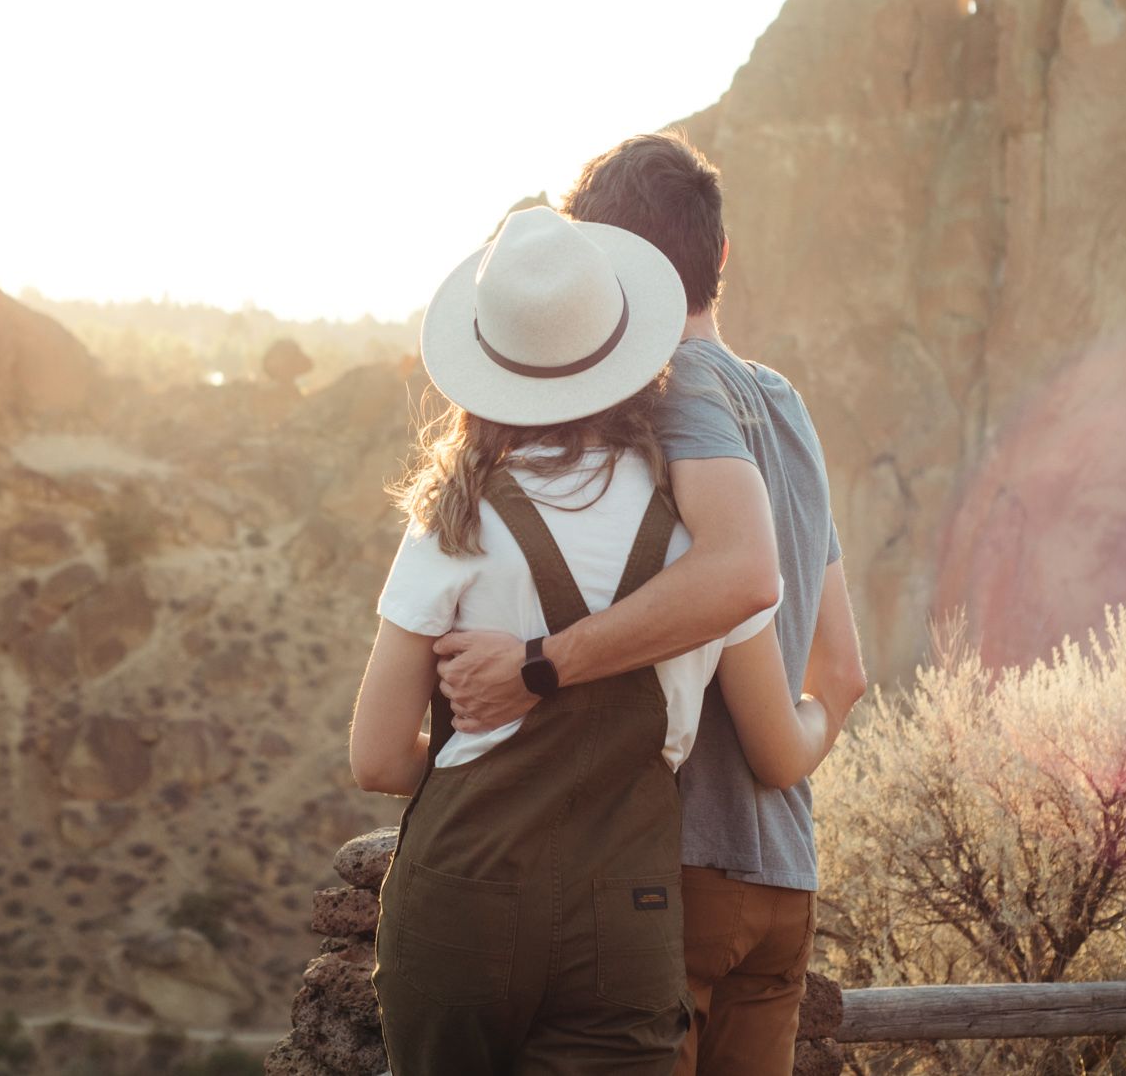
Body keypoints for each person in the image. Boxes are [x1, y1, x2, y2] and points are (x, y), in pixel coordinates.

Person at [350, 204, 847, 1076]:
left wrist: (496, 735)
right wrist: (832, 700)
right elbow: (772, 728)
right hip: (626, 917)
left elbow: (379, 756)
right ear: (620, 340)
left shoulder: (453, 518)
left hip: (461, 898)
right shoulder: (702, 537)